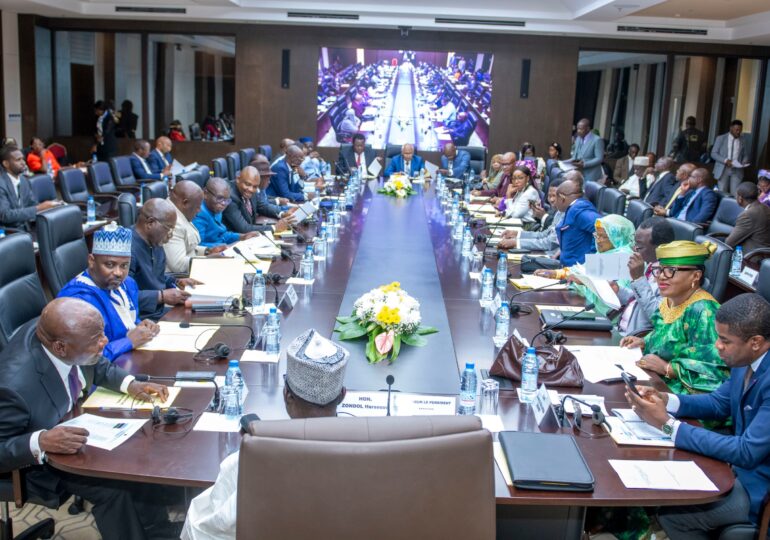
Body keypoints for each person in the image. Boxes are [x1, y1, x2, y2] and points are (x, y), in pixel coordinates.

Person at [0, 297, 178, 540]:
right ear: (60, 348)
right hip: (37, 463)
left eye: (102, 334)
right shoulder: (14, 388)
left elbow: (94, 362)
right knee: (114, 485)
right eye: (97, 340)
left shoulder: (69, 337)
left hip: (72, 423)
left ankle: (157, 531)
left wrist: (131, 383)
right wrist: (40, 441)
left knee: (141, 452)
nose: (105, 342)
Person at [626, 293, 770, 539]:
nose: (717, 346)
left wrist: (667, 426)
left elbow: (746, 452)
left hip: (759, 487)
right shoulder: (746, 359)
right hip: (734, 469)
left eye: (725, 340)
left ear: (755, 341)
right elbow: (719, 402)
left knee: (674, 517)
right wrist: (667, 401)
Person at [181, 329, 349, 540]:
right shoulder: (369, 448)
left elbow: (208, 527)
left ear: (286, 394)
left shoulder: (258, 457)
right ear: (343, 395)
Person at [620, 240, 727, 395]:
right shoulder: (670, 300)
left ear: (695, 276)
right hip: (656, 380)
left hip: (684, 397)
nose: (661, 277)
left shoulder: (704, 312)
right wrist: (644, 342)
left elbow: (714, 371)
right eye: (660, 270)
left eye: (671, 270)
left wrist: (667, 368)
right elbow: (667, 334)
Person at [58, 224, 160, 361]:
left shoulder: (128, 284)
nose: (119, 273)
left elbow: (130, 321)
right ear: (92, 261)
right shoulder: (78, 301)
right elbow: (83, 359)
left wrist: (141, 326)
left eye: (124, 265)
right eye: (110, 265)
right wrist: (129, 341)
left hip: (127, 361)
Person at [536, 214, 635, 316]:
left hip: (605, 316)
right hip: (588, 304)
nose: (599, 240)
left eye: (604, 237)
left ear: (617, 237)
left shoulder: (624, 257)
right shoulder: (607, 252)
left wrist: (584, 280)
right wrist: (556, 273)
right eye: (597, 235)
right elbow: (581, 271)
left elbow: (612, 296)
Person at [130, 198, 202, 319]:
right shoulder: (127, 250)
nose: (171, 234)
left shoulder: (155, 240)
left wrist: (176, 282)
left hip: (158, 312)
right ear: (150, 223)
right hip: (140, 318)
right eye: (168, 228)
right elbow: (122, 296)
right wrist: (161, 296)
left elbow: (156, 276)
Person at [616, 217, 675, 336]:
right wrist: (618, 291)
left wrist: (638, 279)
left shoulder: (672, 274)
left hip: (638, 339)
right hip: (621, 329)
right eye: (634, 243)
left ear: (660, 248)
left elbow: (657, 314)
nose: (634, 249)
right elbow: (638, 300)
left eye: (640, 246)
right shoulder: (651, 264)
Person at [164, 180, 227, 273]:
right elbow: (178, 265)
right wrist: (207, 259)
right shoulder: (173, 222)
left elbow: (186, 247)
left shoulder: (179, 210)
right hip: (181, 277)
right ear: (185, 203)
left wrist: (207, 251)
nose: (199, 210)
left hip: (192, 268)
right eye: (197, 207)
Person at [0, 145, 62, 231]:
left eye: (22, 158)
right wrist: (38, 208)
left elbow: (32, 203)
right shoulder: (1, 184)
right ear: (6, 164)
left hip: (27, 228)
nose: (23, 162)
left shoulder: (24, 180)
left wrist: (50, 206)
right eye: (18, 160)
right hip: (8, 233)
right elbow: (5, 215)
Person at [223, 165, 296, 234]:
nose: (251, 189)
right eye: (247, 184)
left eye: (255, 186)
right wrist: (274, 228)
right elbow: (244, 229)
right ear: (238, 179)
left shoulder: (252, 188)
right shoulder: (230, 198)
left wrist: (282, 214)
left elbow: (262, 206)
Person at [499, 179, 563, 252]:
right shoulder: (558, 212)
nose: (551, 200)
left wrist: (516, 242)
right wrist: (517, 234)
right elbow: (543, 235)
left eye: (554, 196)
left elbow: (548, 243)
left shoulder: (564, 213)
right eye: (549, 196)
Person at [193, 177, 259, 248]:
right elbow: (197, 247)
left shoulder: (216, 208)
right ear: (205, 193)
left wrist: (242, 237)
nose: (223, 203)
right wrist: (226, 246)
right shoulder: (198, 213)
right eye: (219, 198)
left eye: (226, 200)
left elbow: (222, 235)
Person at [552, 178, 601, 266]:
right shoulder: (573, 208)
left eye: (556, 198)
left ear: (562, 198)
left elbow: (602, 227)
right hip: (569, 266)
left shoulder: (579, 210)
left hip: (577, 270)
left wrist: (591, 259)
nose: (555, 202)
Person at [725, 182, 770, 253]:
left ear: (740, 198)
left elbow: (729, 243)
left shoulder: (748, 215)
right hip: (765, 255)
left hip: (752, 258)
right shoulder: (766, 207)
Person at [712, 119, 751, 196]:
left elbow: (746, 155)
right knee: (722, 192)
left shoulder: (743, 140)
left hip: (737, 170)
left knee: (736, 193)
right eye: (736, 130)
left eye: (740, 130)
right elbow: (713, 153)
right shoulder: (721, 138)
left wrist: (744, 161)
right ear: (731, 128)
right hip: (723, 169)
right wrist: (725, 160)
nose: (738, 132)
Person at [571, 118, 605, 183]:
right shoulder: (578, 138)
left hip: (591, 175)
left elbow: (599, 158)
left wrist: (585, 164)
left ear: (588, 129)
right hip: (579, 173)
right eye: (577, 129)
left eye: (581, 129)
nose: (578, 131)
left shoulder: (597, 140)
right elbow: (575, 155)